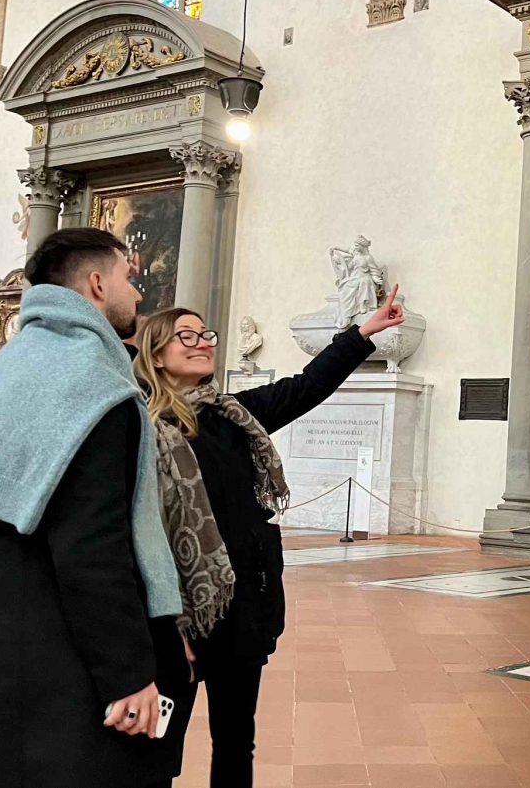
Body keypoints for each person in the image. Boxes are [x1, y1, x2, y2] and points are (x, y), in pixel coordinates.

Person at [0, 228, 189, 788]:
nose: (137, 294)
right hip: (63, 667)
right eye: (129, 278)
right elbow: (92, 545)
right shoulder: (93, 386)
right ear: (97, 284)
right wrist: (127, 673)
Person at [133, 287, 405, 787]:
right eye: (185, 336)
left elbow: (306, 387)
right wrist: (166, 625)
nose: (203, 342)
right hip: (174, 618)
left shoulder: (234, 416)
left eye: (205, 334)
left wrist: (363, 332)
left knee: (236, 740)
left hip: (239, 608)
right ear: (155, 353)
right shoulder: (139, 428)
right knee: (157, 748)